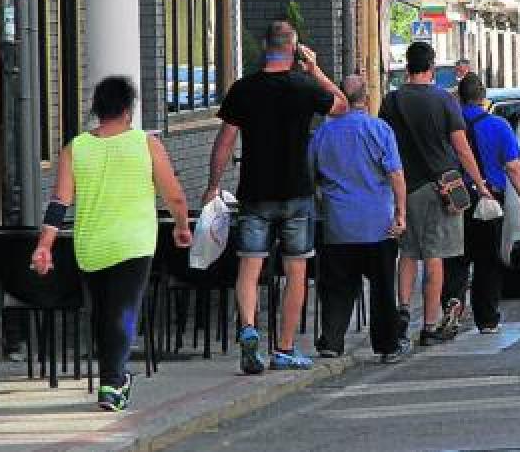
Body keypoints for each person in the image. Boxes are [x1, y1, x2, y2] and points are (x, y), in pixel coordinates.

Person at [31, 76, 193, 411]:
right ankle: (112, 383)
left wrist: (45, 244)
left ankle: (112, 379)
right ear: (127, 109)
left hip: (91, 244)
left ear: (97, 109)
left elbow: (59, 202)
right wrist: (182, 226)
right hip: (134, 243)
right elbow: (174, 194)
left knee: (102, 312)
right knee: (123, 311)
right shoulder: (146, 144)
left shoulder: (75, 148)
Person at [204, 20, 349, 374]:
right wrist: (315, 70)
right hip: (297, 193)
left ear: (265, 45)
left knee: (250, 266)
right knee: (295, 271)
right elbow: (343, 105)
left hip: (254, 192)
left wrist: (212, 184)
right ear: (294, 48)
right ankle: (283, 349)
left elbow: (224, 141)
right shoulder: (304, 87)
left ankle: (249, 328)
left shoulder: (243, 89)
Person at [380, 41, 492, 347]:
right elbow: (461, 147)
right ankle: (429, 325)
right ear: (431, 67)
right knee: (435, 258)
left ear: (407, 66)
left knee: (408, 253)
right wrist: (480, 185)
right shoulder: (444, 101)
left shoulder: (391, 102)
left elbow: (385, 146)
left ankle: (403, 311)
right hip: (441, 188)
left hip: (404, 187)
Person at [309, 75, 411, 364]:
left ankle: (331, 340)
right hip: (378, 224)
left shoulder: (323, 134)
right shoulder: (379, 129)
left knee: (337, 286)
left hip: (338, 224)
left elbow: (311, 172)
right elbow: (395, 174)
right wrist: (400, 213)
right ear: (366, 99)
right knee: (382, 287)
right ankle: (387, 344)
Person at [441, 73, 520, 335]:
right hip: (489, 199)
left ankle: (452, 304)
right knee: (488, 261)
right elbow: (514, 168)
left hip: (454, 199)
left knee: (455, 256)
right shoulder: (498, 125)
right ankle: (487, 318)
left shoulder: (448, 126)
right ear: (483, 98)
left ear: (460, 97)